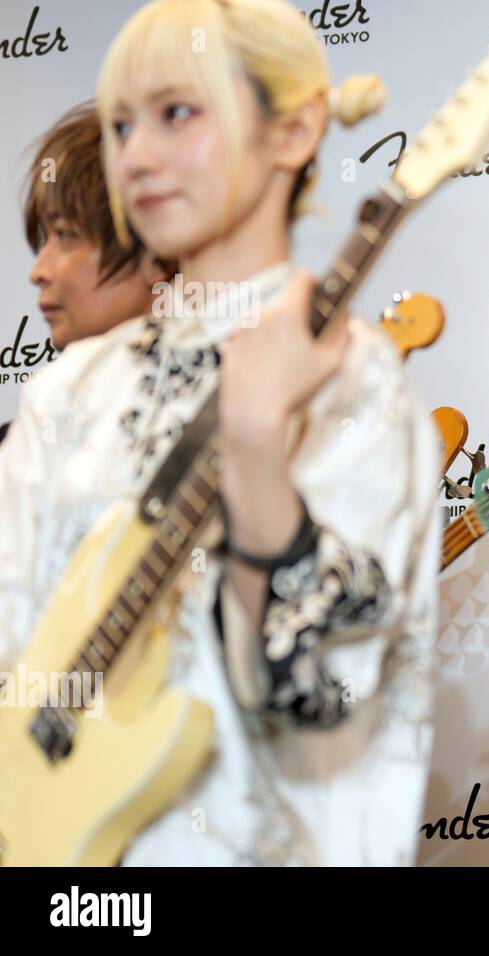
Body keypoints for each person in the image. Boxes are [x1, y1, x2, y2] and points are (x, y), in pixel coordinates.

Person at [0, 0, 438, 865]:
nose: (139, 155)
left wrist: (253, 445)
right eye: (123, 124)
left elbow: (318, 700)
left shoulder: (360, 389)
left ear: (294, 130)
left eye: (177, 113)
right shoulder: (69, 388)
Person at [4, 102, 170, 445]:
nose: (38, 271)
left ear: (155, 252)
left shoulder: (237, 410)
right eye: (43, 240)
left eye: (65, 235)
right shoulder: (22, 438)